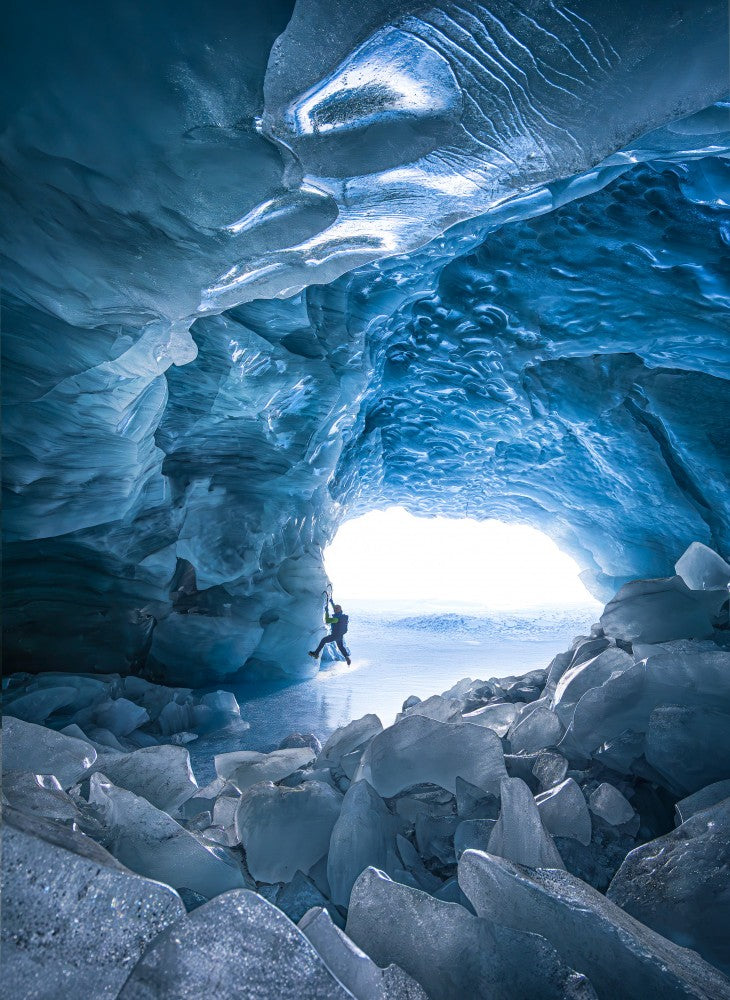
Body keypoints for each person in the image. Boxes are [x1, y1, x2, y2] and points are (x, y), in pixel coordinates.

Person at [309, 596, 351, 665]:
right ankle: (347, 657)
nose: (334, 610)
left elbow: (327, 620)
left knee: (323, 640)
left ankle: (316, 653)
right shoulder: (342, 616)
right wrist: (331, 602)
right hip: (340, 635)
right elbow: (335, 608)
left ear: (337, 610)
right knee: (341, 647)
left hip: (334, 635)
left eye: (335, 609)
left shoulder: (336, 619)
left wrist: (326, 611)